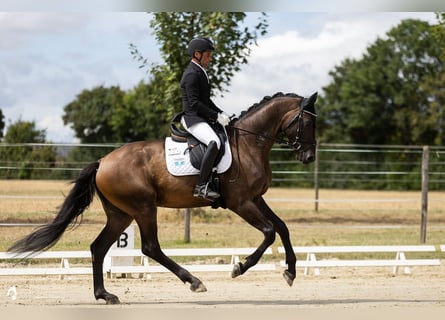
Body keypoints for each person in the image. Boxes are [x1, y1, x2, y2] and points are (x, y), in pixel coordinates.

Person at [180, 37, 230, 200]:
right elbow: (194, 103)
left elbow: (206, 101)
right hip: (192, 119)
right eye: (208, 55)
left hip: (202, 117)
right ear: (197, 54)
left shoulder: (200, 71)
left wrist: (222, 114)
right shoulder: (191, 74)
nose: (210, 58)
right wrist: (215, 116)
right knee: (214, 141)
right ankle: (201, 186)